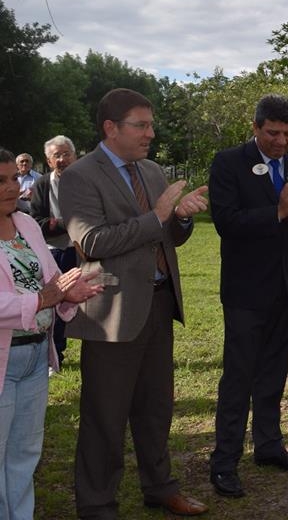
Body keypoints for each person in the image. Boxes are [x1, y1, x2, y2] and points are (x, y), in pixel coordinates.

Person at [60, 88, 210, 519]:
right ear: (111, 128)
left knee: (156, 407)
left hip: (159, 305)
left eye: (150, 124)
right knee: (104, 417)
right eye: (140, 125)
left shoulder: (152, 171)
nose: (150, 132)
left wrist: (180, 218)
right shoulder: (80, 176)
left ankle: (160, 487)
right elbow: (91, 241)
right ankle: (97, 503)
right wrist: (159, 216)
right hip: (111, 312)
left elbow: (168, 235)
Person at [207, 94, 288, 499]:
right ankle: (224, 462)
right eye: (274, 133)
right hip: (246, 292)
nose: (282, 141)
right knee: (238, 377)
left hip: (285, 287)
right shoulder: (229, 163)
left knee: (274, 373)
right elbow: (226, 222)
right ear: (256, 127)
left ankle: (268, 446)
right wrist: (278, 212)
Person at [0, 147, 101, 519]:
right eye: (1, 180)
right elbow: (39, 294)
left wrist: (67, 293)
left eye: (14, 178)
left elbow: (50, 281)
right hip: (4, 358)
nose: (13, 187)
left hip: (35, 357)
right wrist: (42, 299)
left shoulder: (26, 225)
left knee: (25, 454)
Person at [29, 135, 78, 366]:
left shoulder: (86, 181)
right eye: (56, 155)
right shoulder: (42, 184)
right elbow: (37, 223)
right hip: (55, 252)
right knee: (56, 302)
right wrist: (68, 222)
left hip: (86, 251)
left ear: (74, 156)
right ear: (49, 162)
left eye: (66, 153)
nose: (62, 159)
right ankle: (56, 354)